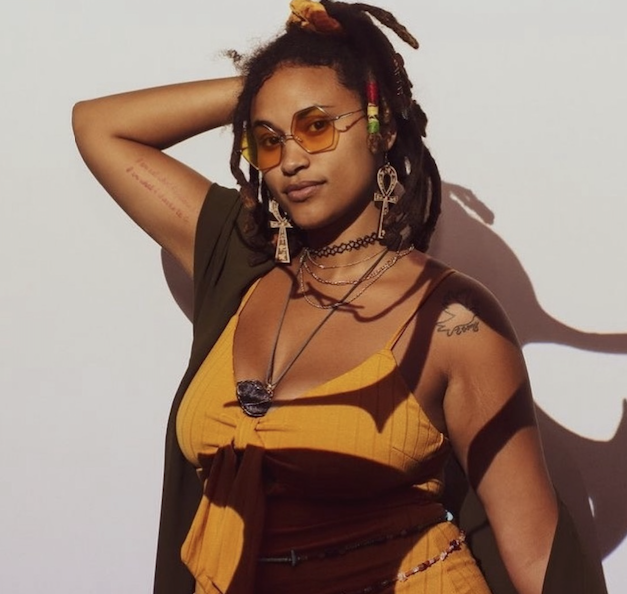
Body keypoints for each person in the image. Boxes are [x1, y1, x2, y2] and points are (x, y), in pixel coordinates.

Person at [72, 2, 606, 593]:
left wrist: (363, 69)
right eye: (267, 139)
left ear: (382, 126)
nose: (291, 159)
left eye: (317, 126)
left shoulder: (455, 320)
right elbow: (99, 126)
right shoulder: (240, 259)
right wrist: (267, 84)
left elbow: (536, 553)